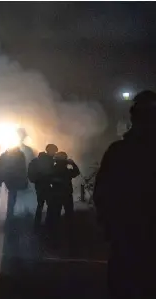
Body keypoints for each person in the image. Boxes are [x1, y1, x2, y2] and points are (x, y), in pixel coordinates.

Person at [94, 90, 156, 298]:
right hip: (129, 233)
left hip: (126, 234)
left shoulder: (119, 151)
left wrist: (109, 225)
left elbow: (103, 192)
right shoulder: (119, 151)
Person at [48, 152, 80, 237]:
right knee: (69, 214)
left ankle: (54, 233)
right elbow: (77, 172)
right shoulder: (67, 171)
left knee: (56, 214)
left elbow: (49, 179)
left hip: (56, 194)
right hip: (67, 194)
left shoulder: (53, 169)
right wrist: (72, 163)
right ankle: (70, 232)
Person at [28, 144, 58, 230]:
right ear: (50, 151)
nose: (55, 153)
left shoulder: (41, 159)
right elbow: (49, 173)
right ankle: (48, 224)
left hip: (39, 185)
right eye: (54, 151)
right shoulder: (47, 160)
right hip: (46, 185)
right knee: (50, 204)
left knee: (40, 205)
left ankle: (37, 224)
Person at [0, 146, 28, 222]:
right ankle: (10, 213)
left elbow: (1, 165)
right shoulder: (20, 155)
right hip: (16, 178)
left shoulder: (6, 154)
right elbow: (23, 167)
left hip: (9, 178)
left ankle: (9, 213)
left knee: (11, 194)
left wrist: (2, 177)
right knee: (13, 195)